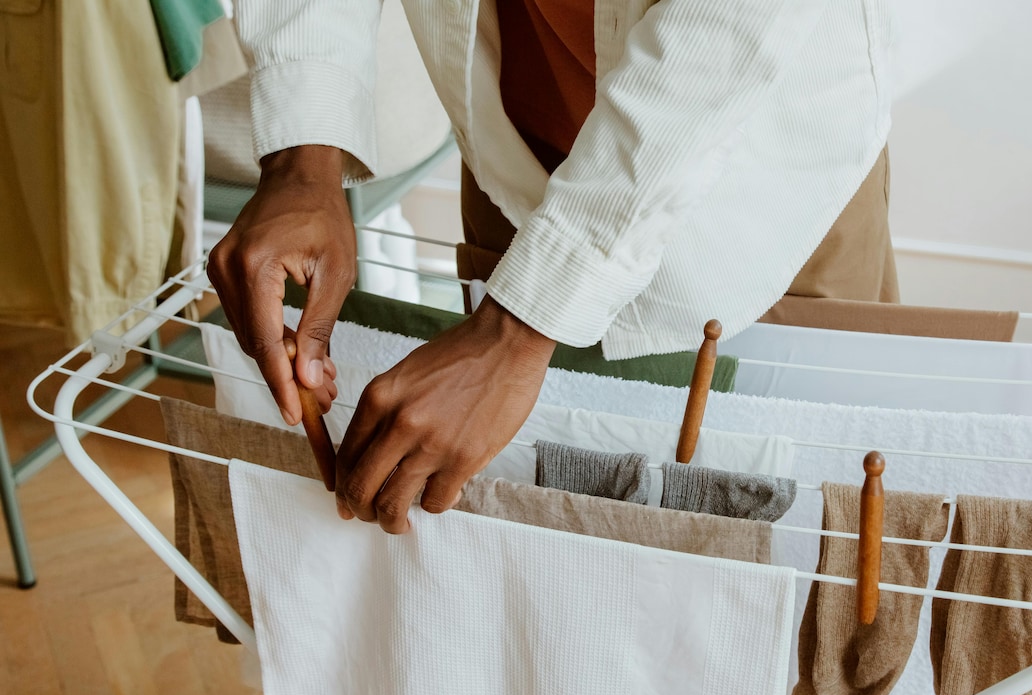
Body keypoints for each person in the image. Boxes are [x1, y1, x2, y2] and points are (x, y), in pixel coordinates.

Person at [208, 0, 896, 534]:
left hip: (758, 183)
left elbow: (726, 34)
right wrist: (304, 154)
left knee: (819, 525)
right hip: (514, 150)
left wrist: (519, 327)